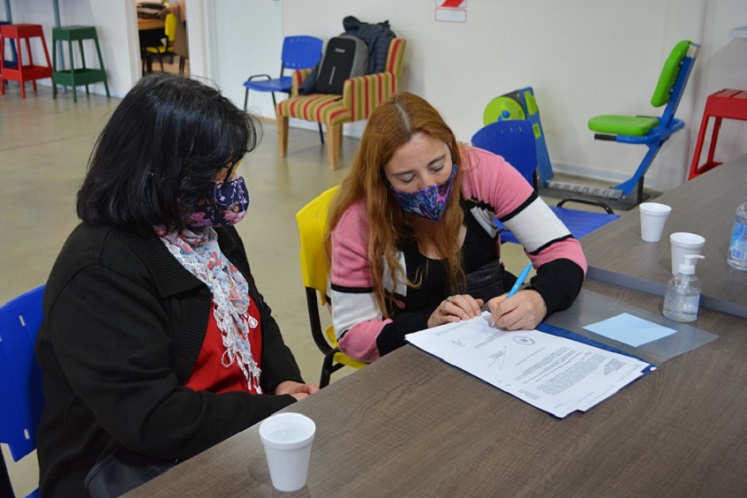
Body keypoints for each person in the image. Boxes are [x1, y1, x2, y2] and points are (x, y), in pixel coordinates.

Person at [35, 73, 318, 497]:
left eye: (230, 169)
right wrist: (275, 410)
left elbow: (254, 313)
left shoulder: (205, 230)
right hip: (130, 468)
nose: (228, 187)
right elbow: (153, 419)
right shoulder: (99, 271)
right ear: (159, 173)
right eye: (215, 174)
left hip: (220, 438)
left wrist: (283, 381)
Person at [326, 92, 587, 363]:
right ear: (380, 178)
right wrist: (428, 325)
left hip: (498, 336)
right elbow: (352, 334)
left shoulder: (481, 172)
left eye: (437, 166)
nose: (428, 185)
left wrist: (540, 298)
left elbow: (562, 250)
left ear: (451, 148)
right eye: (406, 177)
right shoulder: (359, 220)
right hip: (416, 355)